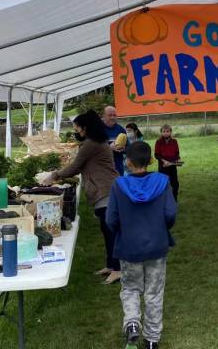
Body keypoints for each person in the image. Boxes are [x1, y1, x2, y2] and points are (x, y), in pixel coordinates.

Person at [106, 141, 177, 349]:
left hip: (129, 247)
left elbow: (111, 219)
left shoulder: (119, 185)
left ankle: (133, 324)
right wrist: (162, 228)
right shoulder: (163, 181)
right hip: (157, 245)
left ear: (127, 162)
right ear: (151, 160)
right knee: (154, 292)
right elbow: (170, 213)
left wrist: (123, 230)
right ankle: (152, 338)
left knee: (130, 288)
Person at [42, 110, 121, 284]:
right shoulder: (96, 141)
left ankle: (118, 269)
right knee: (106, 230)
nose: (77, 131)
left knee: (111, 232)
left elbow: (75, 167)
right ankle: (111, 265)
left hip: (105, 191)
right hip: (107, 189)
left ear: (86, 127)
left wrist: (53, 176)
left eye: (78, 128)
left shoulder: (91, 144)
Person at [154, 124, 181, 201]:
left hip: (172, 167)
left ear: (170, 132)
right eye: (164, 131)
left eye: (167, 131)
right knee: (163, 184)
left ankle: (174, 200)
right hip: (163, 167)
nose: (166, 133)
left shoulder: (174, 141)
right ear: (161, 133)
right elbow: (156, 155)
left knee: (175, 184)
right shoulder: (158, 142)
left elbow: (177, 153)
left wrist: (177, 160)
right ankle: (163, 200)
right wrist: (164, 161)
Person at [102, 106, 128, 176]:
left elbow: (128, 147)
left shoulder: (121, 129)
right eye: (110, 115)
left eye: (114, 115)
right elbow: (93, 149)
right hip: (102, 166)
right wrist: (109, 148)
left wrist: (123, 149)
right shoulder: (98, 129)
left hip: (118, 166)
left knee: (118, 185)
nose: (112, 117)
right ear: (104, 116)